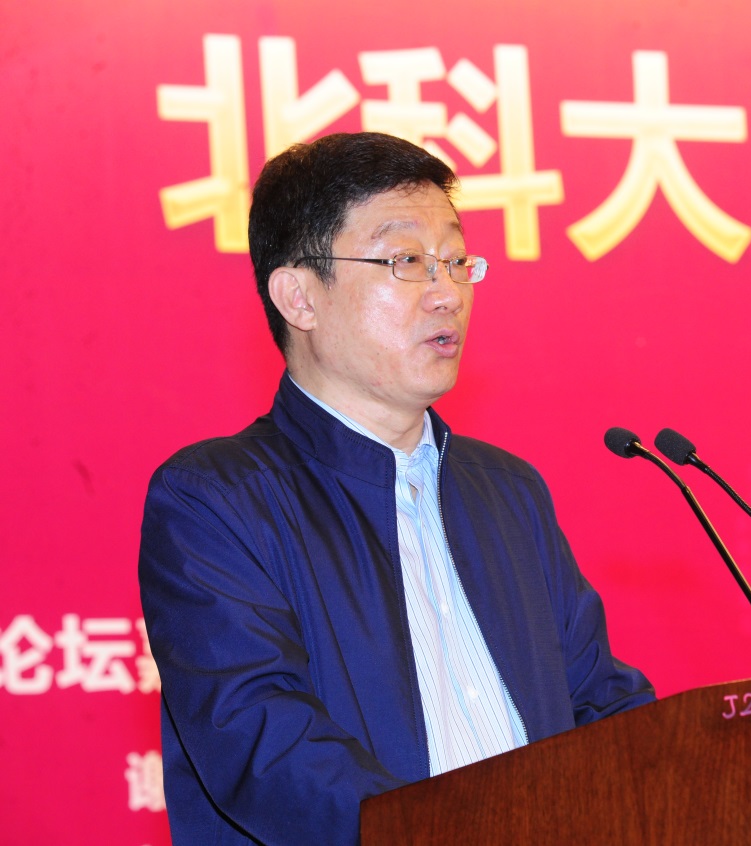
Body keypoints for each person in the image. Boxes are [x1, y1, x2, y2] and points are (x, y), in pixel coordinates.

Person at [138, 132, 654, 845]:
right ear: (299, 297)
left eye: (455, 261)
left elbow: (599, 703)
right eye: (406, 261)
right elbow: (266, 746)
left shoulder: (508, 493)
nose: (447, 294)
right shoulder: (216, 501)